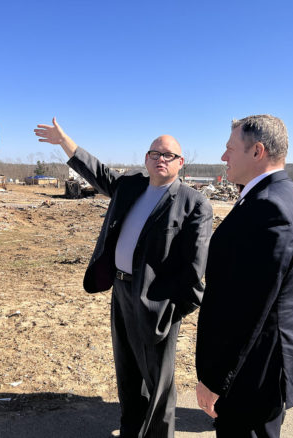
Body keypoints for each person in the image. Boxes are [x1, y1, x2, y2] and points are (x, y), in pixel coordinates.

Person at [35, 118, 213, 438]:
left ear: (181, 163)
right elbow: (98, 172)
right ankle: (131, 431)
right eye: (154, 153)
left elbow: (194, 270)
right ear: (146, 159)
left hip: (156, 303)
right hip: (121, 291)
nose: (161, 158)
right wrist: (65, 142)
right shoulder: (130, 187)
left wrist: (169, 311)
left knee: (158, 385)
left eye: (169, 155)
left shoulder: (193, 203)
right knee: (129, 376)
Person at [195, 115, 293, 437]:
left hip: (255, 368)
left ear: (257, 151)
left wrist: (217, 380)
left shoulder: (271, 208)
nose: (223, 157)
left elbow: (250, 307)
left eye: (230, 149)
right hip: (256, 363)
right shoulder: (272, 196)